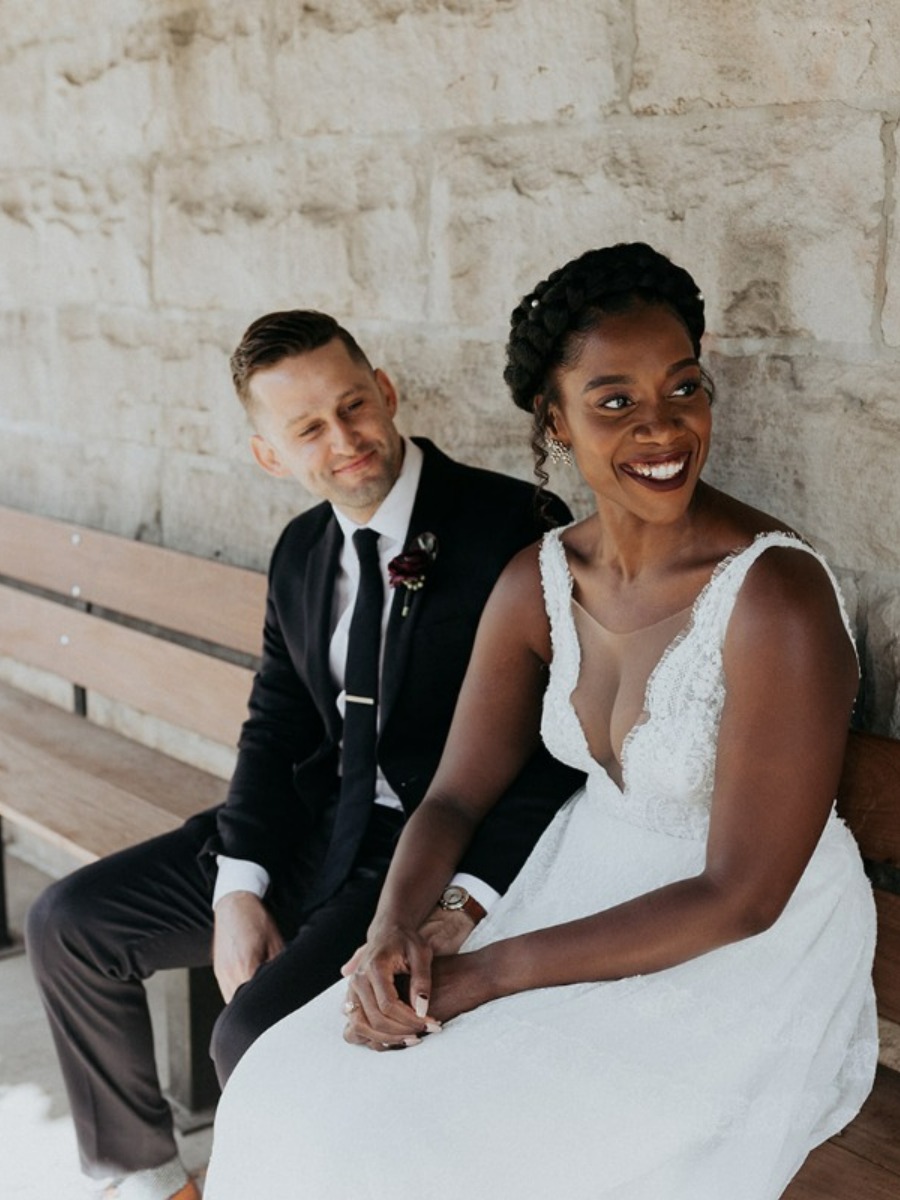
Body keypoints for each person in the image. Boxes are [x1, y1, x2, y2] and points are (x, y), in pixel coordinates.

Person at [204, 244, 878, 1200]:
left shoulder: (774, 597)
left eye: (684, 386)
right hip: (576, 881)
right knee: (286, 1083)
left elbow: (742, 897)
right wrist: (394, 931)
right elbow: (454, 792)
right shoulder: (540, 579)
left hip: (739, 943)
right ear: (555, 420)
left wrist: (486, 973)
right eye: (614, 400)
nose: (663, 426)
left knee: (439, 1152)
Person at [25, 310, 581, 1200]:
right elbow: (276, 725)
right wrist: (239, 886)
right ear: (270, 455)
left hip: (423, 850)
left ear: (387, 394)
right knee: (72, 925)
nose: (346, 440)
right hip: (315, 823)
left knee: (248, 1037)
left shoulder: (510, 526)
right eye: (309, 428)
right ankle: (150, 1182)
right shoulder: (301, 554)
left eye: (353, 406)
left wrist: (466, 900)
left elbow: (560, 748)